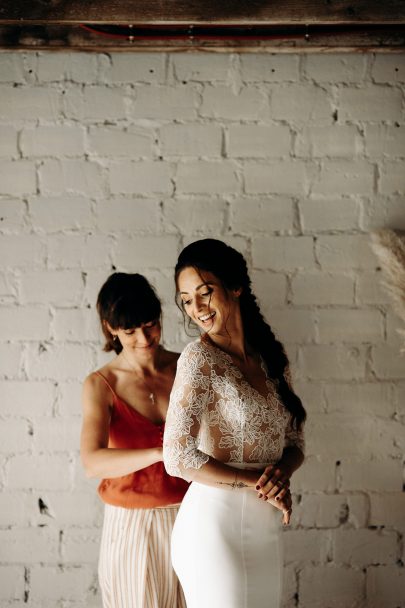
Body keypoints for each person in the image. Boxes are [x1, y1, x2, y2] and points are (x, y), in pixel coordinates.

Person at [163, 239, 306, 608]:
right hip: (213, 529)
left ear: (236, 286)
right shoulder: (199, 359)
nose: (196, 308)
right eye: (186, 299)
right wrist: (257, 482)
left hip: (264, 528)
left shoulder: (273, 358)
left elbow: (295, 442)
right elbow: (176, 455)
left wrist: (279, 476)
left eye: (205, 292)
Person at [80, 272, 189, 608]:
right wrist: (161, 452)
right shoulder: (102, 383)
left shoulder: (187, 365)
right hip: (135, 524)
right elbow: (92, 461)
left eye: (150, 324)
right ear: (110, 328)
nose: (144, 338)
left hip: (192, 512)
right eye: (130, 331)